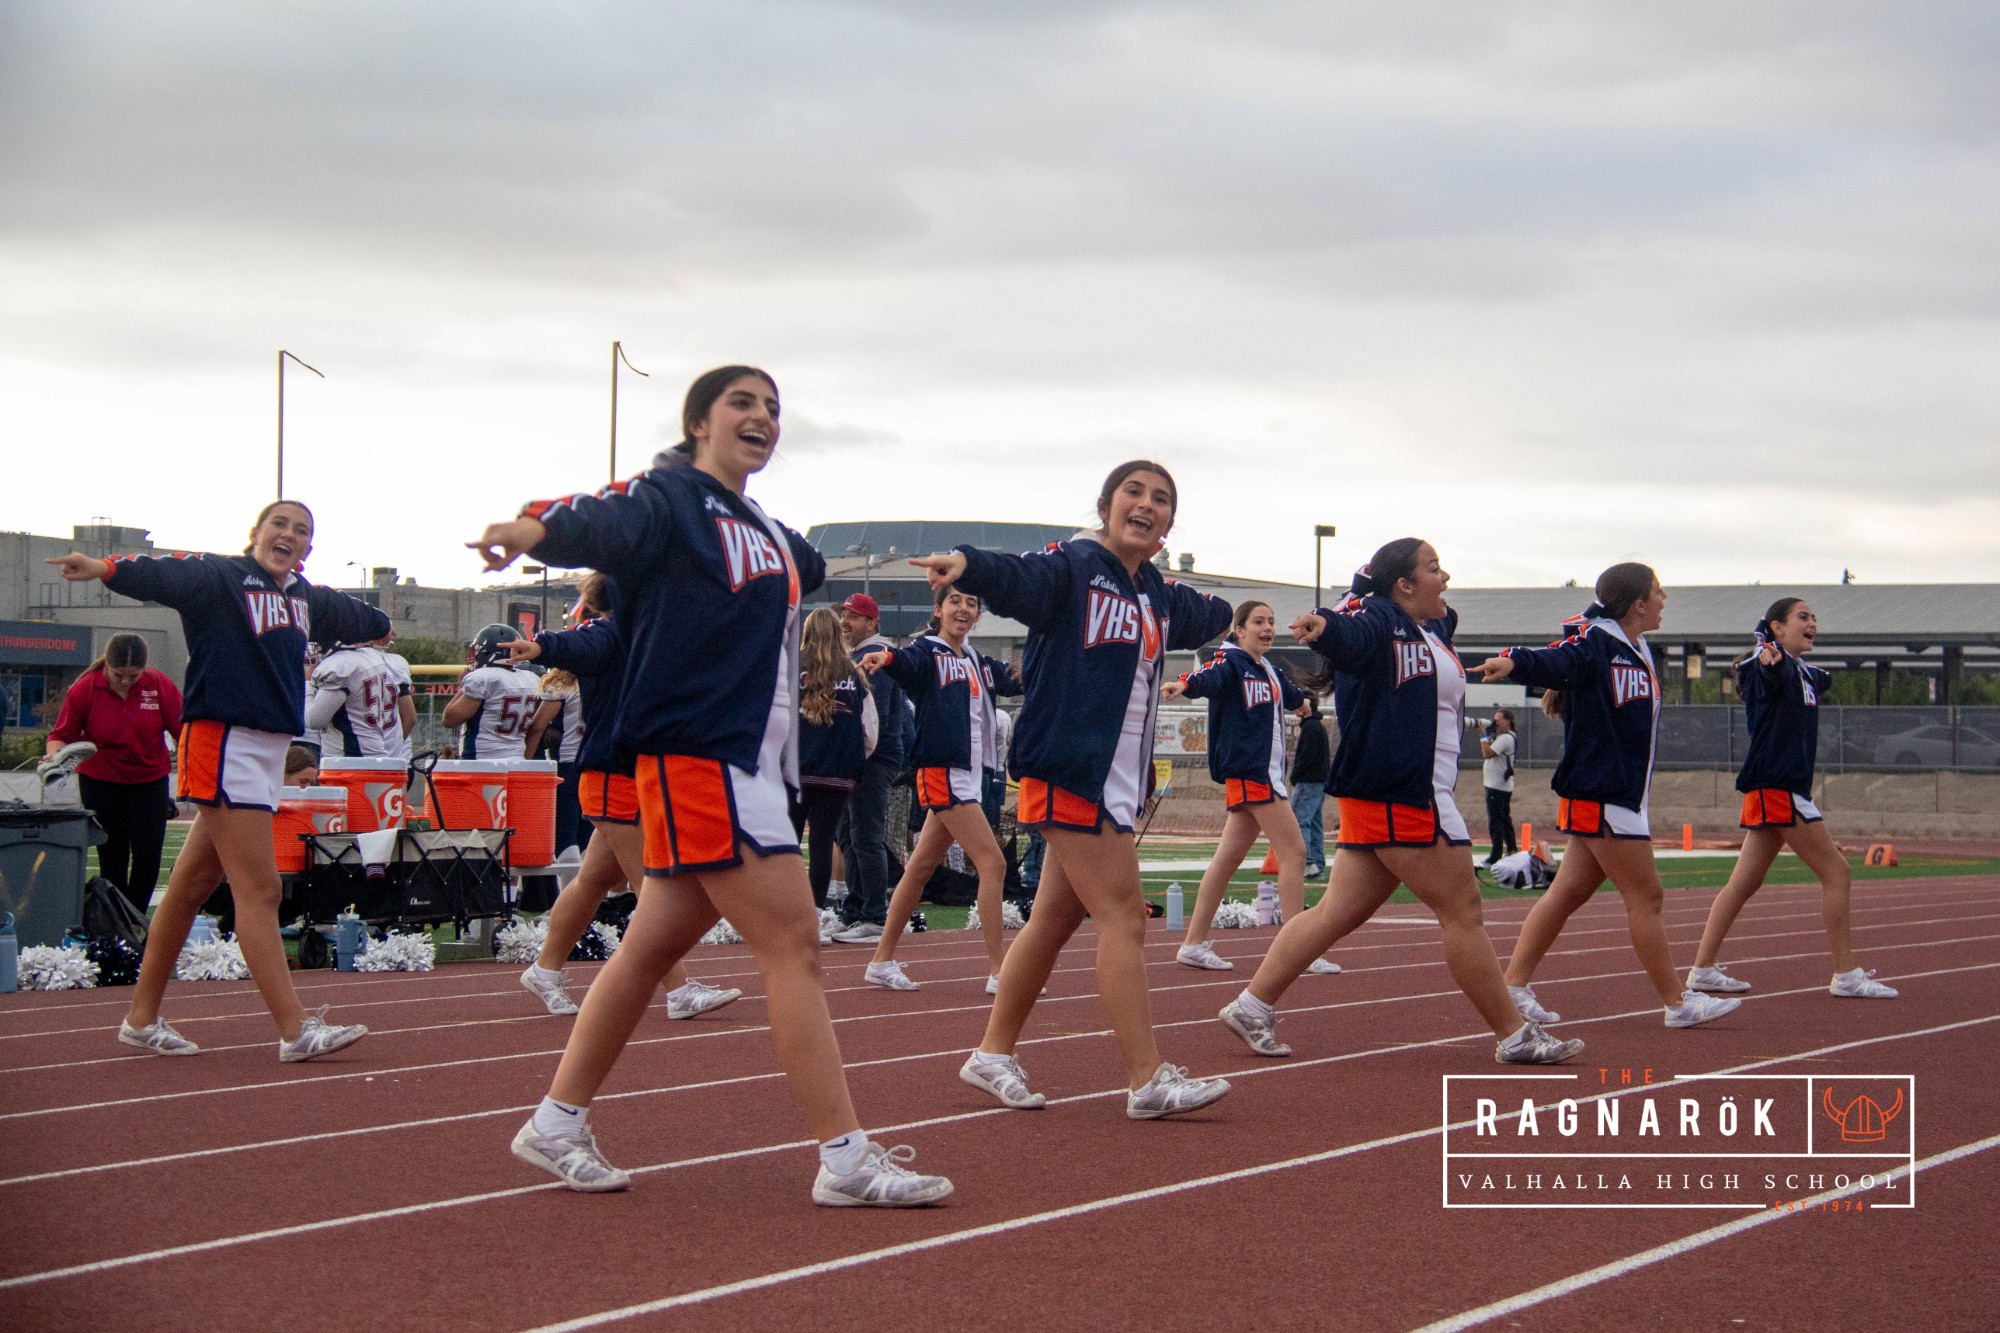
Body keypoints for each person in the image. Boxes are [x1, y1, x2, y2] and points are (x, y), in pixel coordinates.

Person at [471, 365, 951, 1205]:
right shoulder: (671, 499)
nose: (763, 416)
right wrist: (532, 527)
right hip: (699, 754)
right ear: (699, 421)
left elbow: (807, 559)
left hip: (750, 761)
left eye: (773, 407)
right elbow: (603, 517)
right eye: (742, 402)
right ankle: (844, 1159)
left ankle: (555, 1120)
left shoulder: (760, 524)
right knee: (794, 944)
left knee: (650, 946)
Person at [924, 460, 1238, 1119]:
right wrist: (969, 565)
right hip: (1071, 768)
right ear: (1104, 505)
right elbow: (1018, 577)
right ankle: (1147, 1079)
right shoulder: (1072, 567)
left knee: (1053, 919)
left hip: (1115, 779)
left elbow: (1209, 613)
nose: (1146, 504)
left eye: (1161, 499)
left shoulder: (1154, 592)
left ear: (1169, 524)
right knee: (1124, 916)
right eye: (1133, 492)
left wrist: (1233, 611)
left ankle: (992, 1054)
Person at [1216, 540, 1583, 1066]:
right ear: (1403, 585)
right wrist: (1326, 625)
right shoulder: (1379, 623)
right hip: (1403, 793)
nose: (1445, 576)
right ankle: (1514, 1034)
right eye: (1433, 568)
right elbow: (1351, 633)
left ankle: (1251, 1006)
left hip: (1392, 793)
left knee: (1335, 913)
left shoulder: (1428, 627)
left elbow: (1438, 615)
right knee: (1463, 911)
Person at [48, 500, 384, 1060]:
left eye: (302, 530)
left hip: (266, 749)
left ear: (308, 547)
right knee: (261, 889)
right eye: (280, 524)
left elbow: (359, 615)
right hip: (223, 739)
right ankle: (294, 1029)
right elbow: (163, 573)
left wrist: (383, 625)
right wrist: (104, 568)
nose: (289, 534)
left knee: (188, 890)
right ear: (256, 532)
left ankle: (140, 1018)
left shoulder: (305, 597)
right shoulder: (221, 577)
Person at [1476, 563, 1740, 1029]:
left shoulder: (1636, 648)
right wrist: (1515, 661)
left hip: (1618, 794)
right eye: (1658, 591)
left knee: (1566, 894)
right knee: (1647, 896)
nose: (1664, 598)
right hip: (1602, 792)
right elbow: (1558, 660)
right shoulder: (1597, 642)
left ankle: (1513, 986)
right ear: (1638, 603)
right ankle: (1677, 1002)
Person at [506, 575, 740, 1021]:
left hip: (631, 772)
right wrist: (542, 646)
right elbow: (581, 644)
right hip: (612, 774)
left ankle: (544, 970)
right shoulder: (610, 632)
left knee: (593, 880)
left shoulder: (642, 634)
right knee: (650, 884)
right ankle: (678, 990)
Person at [1688, 600, 1897, 1000]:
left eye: (1814, 617)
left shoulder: (1803, 671)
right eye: (1803, 616)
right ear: (1777, 627)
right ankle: (1846, 974)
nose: (1812, 622)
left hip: (1780, 788)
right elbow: (1763, 672)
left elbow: (1820, 678)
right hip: (1777, 786)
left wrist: (1784, 658)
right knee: (1837, 873)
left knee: (1743, 883)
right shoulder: (1766, 667)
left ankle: (1702, 969)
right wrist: (1765, 656)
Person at [857, 583, 1021, 991]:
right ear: (938, 609)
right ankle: (1000, 971)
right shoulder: (928, 650)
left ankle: (881, 960)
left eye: (971, 603)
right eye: (955, 601)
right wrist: (885, 656)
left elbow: (1018, 678)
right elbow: (905, 661)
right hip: (943, 772)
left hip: (969, 776)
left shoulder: (979, 662)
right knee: (993, 864)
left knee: (919, 869)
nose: (963, 609)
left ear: (978, 615)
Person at [1163, 600, 1339, 976]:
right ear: (1239, 630)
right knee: (1294, 852)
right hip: (1251, 772)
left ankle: (1192, 944)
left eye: (1271, 621)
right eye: (1258, 621)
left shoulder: (1268, 670)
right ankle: (1297, 949)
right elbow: (1206, 678)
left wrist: (1303, 705)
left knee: (1226, 861)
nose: (1267, 627)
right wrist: (1183, 684)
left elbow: (1291, 694)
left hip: (1265, 774)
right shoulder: (1230, 663)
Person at [44, 633, 182, 914]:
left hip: (149, 780)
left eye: (134, 675)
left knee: (147, 854)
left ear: (144, 669)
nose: (126, 681)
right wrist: (55, 757)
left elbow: (185, 732)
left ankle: (134, 919)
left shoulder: (158, 685)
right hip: (100, 782)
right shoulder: (85, 689)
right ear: (107, 664)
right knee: (112, 855)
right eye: (119, 675)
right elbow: (61, 735)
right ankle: (114, 920)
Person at [829, 593, 907, 944]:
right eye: (843, 615)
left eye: (854, 616)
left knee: (865, 836)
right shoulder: (854, 656)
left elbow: (877, 717)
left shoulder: (876, 656)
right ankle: (856, 910)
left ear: (872, 623)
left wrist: (852, 755)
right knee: (848, 835)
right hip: (857, 759)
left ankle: (874, 915)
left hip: (873, 758)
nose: (845, 621)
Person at [793, 607, 879, 912]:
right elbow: (870, 732)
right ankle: (815, 913)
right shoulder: (853, 673)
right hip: (838, 774)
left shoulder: (791, 667)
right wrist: (851, 759)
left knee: (788, 844)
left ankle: (785, 910)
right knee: (822, 843)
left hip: (795, 772)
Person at [441, 624, 542, 761]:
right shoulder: (531, 679)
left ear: (488, 652)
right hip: (516, 758)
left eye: (478, 649)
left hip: (482, 759)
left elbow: (449, 719)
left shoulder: (484, 678)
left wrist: (463, 688)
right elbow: (536, 728)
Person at [524, 663, 589, 857]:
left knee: (565, 837)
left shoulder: (564, 684)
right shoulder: (604, 680)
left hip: (568, 763)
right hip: (594, 762)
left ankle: (571, 877)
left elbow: (537, 726)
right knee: (588, 836)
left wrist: (525, 760)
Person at [303, 639, 405, 758]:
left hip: (349, 757)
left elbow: (314, 721)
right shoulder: (371, 656)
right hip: (375, 751)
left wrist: (307, 684)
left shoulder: (340, 665)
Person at [1290, 692, 1330, 878]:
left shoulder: (1310, 728)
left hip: (1308, 782)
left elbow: (1306, 758)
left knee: (1298, 821)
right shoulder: (1318, 727)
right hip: (1319, 783)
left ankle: (1308, 863)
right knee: (1314, 823)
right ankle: (1318, 865)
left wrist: (1295, 775)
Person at [1480, 709, 1519, 866]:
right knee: (1504, 820)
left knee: (1495, 822)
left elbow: (1487, 753)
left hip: (1496, 787)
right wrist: (1487, 734)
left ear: (1507, 721)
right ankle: (1512, 850)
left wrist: (1483, 736)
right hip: (1500, 786)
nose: (1495, 723)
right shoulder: (1507, 737)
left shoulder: (1505, 738)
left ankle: (1495, 855)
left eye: (1498, 720)